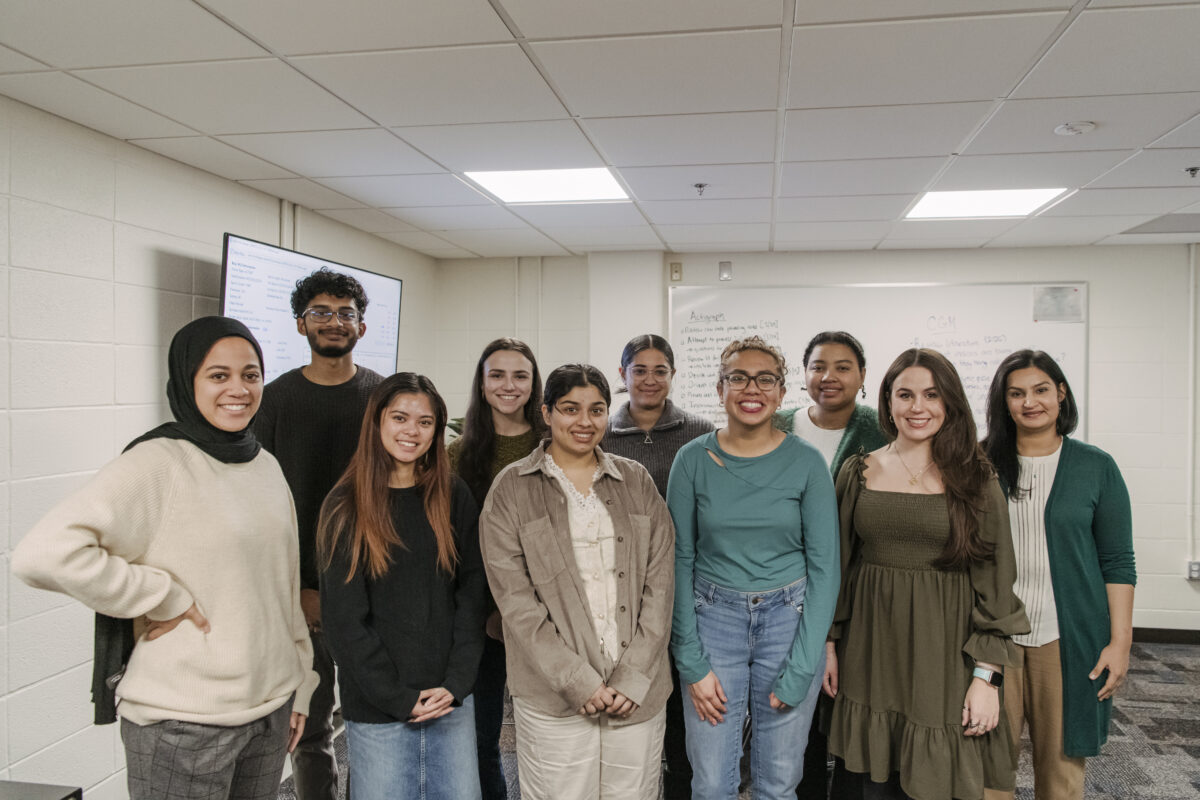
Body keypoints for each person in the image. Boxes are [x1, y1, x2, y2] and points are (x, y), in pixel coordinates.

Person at [12, 316, 318, 800]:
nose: (238, 388)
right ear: (186, 379)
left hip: (270, 711)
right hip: (184, 726)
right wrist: (162, 595)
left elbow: (280, 586)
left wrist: (300, 680)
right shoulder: (159, 462)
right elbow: (43, 554)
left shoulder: (263, 462)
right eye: (218, 375)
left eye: (250, 374)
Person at [825, 348, 1029, 800]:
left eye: (931, 395)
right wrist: (829, 644)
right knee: (871, 783)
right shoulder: (858, 471)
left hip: (944, 652)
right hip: (870, 650)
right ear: (887, 401)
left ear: (950, 402)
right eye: (905, 394)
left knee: (935, 777)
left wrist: (987, 677)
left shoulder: (977, 479)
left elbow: (996, 586)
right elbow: (836, 567)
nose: (918, 407)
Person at [480, 364, 676, 800]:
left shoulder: (637, 481)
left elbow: (660, 585)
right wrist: (576, 679)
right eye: (570, 409)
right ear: (546, 412)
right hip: (554, 693)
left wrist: (634, 675)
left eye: (597, 410)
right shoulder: (511, 489)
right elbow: (516, 602)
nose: (584, 422)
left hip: (635, 690)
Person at [668, 335, 839, 800]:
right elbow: (679, 561)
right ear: (720, 388)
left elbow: (825, 568)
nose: (752, 389)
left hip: (789, 620)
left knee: (779, 782)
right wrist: (691, 661)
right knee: (710, 782)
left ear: (782, 392)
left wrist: (805, 664)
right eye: (738, 377)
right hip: (712, 619)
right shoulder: (691, 460)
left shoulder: (807, 464)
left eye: (766, 379)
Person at [319, 372, 488, 800]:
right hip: (378, 708)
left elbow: (472, 595)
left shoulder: (453, 494)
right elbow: (344, 623)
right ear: (376, 423)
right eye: (400, 418)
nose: (412, 431)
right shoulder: (344, 506)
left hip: (449, 699)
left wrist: (456, 682)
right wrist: (397, 696)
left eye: (425, 422)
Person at [254, 267, 385, 800]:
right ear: (301, 324)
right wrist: (299, 588)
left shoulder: (381, 397)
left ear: (362, 326)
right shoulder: (272, 401)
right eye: (322, 313)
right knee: (309, 729)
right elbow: (263, 506)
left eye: (346, 314)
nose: (335, 323)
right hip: (300, 594)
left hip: (374, 586)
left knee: (373, 722)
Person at [981, 350, 1135, 800]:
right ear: (1003, 402)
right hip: (993, 636)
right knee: (986, 766)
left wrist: (1120, 642)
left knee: (1062, 771)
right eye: (1016, 393)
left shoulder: (1095, 466)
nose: (1030, 402)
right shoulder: (979, 462)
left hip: (1067, 637)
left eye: (1041, 390)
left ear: (1061, 393)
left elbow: (1118, 561)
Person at [600, 333, 714, 798]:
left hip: (688, 586)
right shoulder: (599, 434)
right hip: (621, 591)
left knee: (685, 710)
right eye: (639, 369)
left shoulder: (702, 432)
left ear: (672, 374)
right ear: (622, 373)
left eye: (660, 370)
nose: (649, 380)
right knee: (634, 696)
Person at [776, 331, 889, 800]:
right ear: (803, 375)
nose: (829, 376)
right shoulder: (776, 423)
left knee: (840, 700)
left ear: (862, 376)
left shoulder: (883, 429)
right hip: (780, 585)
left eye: (843, 367)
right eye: (819, 365)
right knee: (790, 705)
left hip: (854, 590)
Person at [448, 337, 545, 800]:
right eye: (497, 375)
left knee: (547, 737)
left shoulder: (556, 444)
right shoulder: (455, 455)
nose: (509, 385)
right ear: (482, 385)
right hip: (477, 618)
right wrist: (489, 610)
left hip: (547, 616)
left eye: (520, 375)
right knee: (481, 738)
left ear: (534, 383)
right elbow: (458, 545)